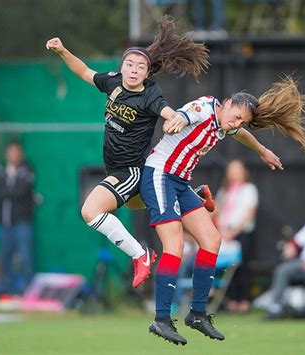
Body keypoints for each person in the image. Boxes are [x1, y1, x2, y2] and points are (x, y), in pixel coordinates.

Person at [141, 75, 305, 345]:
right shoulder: (203, 108)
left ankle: (197, 314)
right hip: (159, 174)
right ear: (228, 103)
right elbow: (186, 115)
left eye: (241, 121)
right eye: (235, 116)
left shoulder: (226, 124)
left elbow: (241, 133)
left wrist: (262, 150)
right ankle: (161, 319)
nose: (236, 123)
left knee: (212, 240)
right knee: (174, 244)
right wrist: (177, 120)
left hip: (180, 181)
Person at [45, 15, 210, 289]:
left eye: (140, 67)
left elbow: (165, 110)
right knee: (145, 203)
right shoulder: (113, 84)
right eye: (130, 64)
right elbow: (85, 72)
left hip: (130, 171)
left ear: (147, 73)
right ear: (122, 67)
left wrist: (176, 117)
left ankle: (141, 254)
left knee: (90, 211)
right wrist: (63, 51)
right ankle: (194, 195)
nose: (134, 70)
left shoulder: (150, 95)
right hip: (115, 169)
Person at [214, 159, 258, 313]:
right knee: (228, 268)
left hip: (241, 233)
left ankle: (244, 299)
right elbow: (217, 211)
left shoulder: (249, 189)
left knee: (242, 267)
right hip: (224, 233)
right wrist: (221, 231)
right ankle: (232, 299)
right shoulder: (224, 191)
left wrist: (234, 232)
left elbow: (249, 213)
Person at [0, 142, 36, 295]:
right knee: (5, 258)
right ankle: (8, 292)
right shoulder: (0, 172)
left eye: (16, 152)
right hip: (5, 224)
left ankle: (27, 292)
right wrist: (9, 191)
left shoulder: (28, 171)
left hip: (22, 222)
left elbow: (22, 192)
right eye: (11, 152)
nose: (13, 155)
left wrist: (7, 191)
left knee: (25, 258)